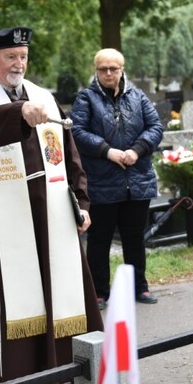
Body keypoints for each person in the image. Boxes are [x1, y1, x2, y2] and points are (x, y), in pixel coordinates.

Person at [0, 26, 103, 384]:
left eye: (23, 56)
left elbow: (69, 154)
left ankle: (73, 374)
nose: (18, 64)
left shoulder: (44, 96)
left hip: (54, 207)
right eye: (10, 56)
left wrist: (83, 202)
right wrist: (20, 113)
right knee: (21, 294)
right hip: (12, 216)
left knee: (67, 288)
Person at [70, 48, 164, 308]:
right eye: (103, 69)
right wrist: (107, 151)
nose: (109, 73)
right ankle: (99, 292)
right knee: (99, 238)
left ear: (122, 69)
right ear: (96, 70)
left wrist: (137, 150)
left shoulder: (138, 96)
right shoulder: (86, 99)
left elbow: (156, 127)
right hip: (102, 180)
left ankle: (139, 288)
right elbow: (76, 131)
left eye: (114, 68)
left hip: (137, 179)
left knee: (135, 237)